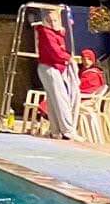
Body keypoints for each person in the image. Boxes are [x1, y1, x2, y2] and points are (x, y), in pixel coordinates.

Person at [32, 8, 78, 142]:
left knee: (53, 100)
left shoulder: (55, 33)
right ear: (45, 21)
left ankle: (56, 130)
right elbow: (55, 52)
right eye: (50, 20)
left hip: (50, 67)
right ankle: (68, 130)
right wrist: (68, 57)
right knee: (60, 98)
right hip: (49, 67)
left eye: (55, 20)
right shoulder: (46, 32)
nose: (53, 23)